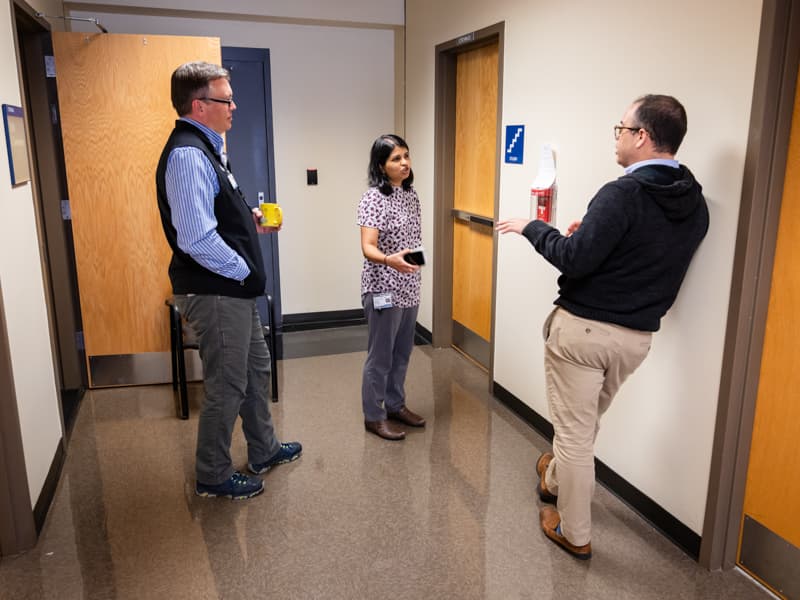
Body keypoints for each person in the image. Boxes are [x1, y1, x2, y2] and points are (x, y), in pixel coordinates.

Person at [496, 94, 709, 559]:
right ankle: (554, 480)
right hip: (635, 339)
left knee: (573, 437)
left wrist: (535, 228)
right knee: (585, 425)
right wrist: (592, 234)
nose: (616, 137)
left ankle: (574, 533)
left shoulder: (623, 192)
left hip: (584, 335)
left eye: (621, 128)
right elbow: (646, 254)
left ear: (642, 136)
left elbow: (574, 259)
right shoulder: (693, 201)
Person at [155, 61, 301, 500]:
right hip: (217, 292)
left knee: (256, 370)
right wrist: (247, 272)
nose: (234, 106)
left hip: (233, 291)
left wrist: (249, 220)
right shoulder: (186, 153)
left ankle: (264, 449)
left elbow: (213, 213)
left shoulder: (208, 147)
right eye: (226, 99)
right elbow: (197, 238)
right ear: (199, 105)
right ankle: (213, 473)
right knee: (227, 383)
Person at [357, 134, 427, 441]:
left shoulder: (411, 196)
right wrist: (390, 260)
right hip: (383, 287)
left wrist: (416, 261)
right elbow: (368, 247)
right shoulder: (373, 198)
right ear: (381, 166)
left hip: (410, 286)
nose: (404, 163)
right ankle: (374, 416)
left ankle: (396, 404)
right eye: (396, 158)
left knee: (402, 352)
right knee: (381, 355)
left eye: (406, 156)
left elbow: (411, 243)